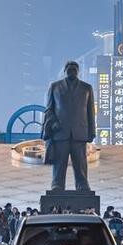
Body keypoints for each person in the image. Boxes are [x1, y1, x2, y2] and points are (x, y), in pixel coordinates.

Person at [43, 61, 96, 192]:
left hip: (80, 132)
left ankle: (82, 184)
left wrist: (92, 132)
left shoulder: (87, 88)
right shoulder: (55, 87)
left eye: (74, 69)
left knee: (80, 163)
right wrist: (53, 122)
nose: (72, 71)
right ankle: (57, 185)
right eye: (69, 69)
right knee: (59, 163)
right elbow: (49, 109)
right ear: (65, 70)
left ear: (78, 71)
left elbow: (90, 112)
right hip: (60, 132)